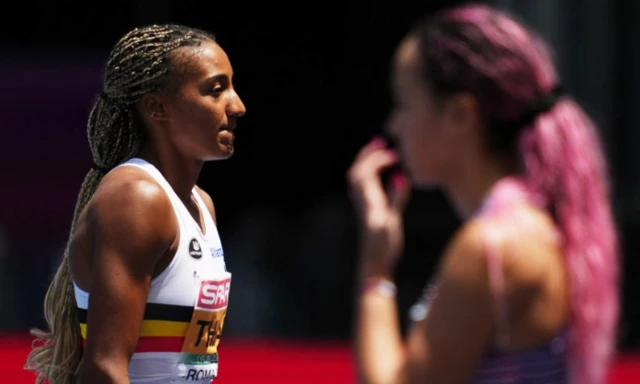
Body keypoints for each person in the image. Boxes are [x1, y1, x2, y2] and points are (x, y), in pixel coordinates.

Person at [347, 3, 619, 384]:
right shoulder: (528, 227)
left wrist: (376, 269)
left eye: (405, 103)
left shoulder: (492, 246)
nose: (394, 125)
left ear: (460, 115)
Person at [25, 24, 246, 383]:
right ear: (158, 107)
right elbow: (104, 368)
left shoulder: (201, 205)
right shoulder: (137, 199)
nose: (237, 106)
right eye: (215, 90)